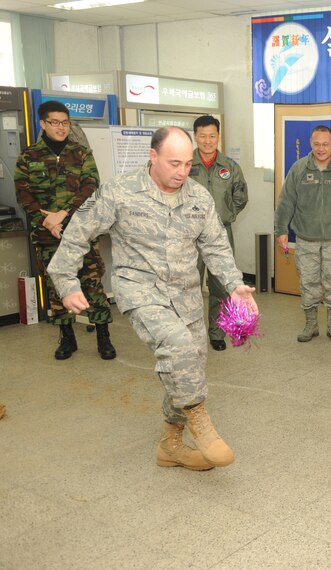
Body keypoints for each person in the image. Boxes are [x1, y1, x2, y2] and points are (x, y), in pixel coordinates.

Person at [47, 127, 257, 471]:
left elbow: (216, 245)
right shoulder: (120, 191)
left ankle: (171, 445)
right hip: (141, 290)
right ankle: (198, 415)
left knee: (189, 364)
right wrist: (67, 282)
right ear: (153, 156)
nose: (182, 172)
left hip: (187, 294)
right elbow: (78, 231)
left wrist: (234, 284)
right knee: (177, 347)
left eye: (188, 164)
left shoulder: (198, 197)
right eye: (175, 163)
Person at [15, 100, 116, 361]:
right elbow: (23, 194)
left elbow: (91, 187)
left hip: (82, 231)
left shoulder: (81, 153)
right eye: (55, 122)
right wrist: (47, 220)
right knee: (56, 287)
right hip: (47, 235)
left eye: (65, 122)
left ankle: (104, 336)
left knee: (92, 283)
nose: (61, 127)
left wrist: (63, 213)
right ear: (42, 123)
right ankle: (67, 338)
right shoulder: (29, 156)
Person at [274, 125, 331, 343]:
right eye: (317, 144)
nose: (321, 148)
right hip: (306, 239)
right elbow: (286, 202)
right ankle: (311, 325)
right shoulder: (298, 169)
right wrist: (280, 230)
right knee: (308, 282)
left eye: (325, 144)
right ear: (310, 143)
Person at [189, 115, 249, 351]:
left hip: (220, 235)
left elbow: (241, 197)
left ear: (218, 136)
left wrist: (225, 215)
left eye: (212, 136)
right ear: (195, 136)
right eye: (202, 136)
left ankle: (216, 333)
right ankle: (192, 335)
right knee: (188, 285)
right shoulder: (185, 164)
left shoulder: (230, 167)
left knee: (221, 286)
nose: (207, 141)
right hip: (189, 237)